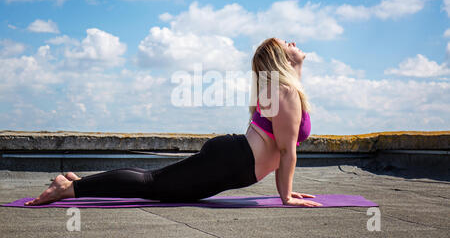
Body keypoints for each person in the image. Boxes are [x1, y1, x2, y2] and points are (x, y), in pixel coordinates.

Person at [25, 38, 322, 207]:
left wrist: (288, 191)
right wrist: (286, 197)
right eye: (286, 43)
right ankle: (66, 189)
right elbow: (285, 151)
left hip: (234, 162)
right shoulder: (285, 92)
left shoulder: (285, 90)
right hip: (232, 162)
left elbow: (284, 146)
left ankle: (77, 183)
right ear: (280, 59)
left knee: (154, 183)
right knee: (151, 185)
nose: (292, 41)